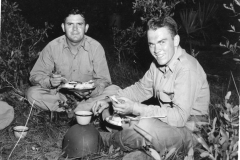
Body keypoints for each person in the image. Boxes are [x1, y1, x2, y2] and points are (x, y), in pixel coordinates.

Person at [92, 16, 210, 159]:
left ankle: (106, 140)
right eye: (151, 44)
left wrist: (135, 108)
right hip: (167, 125)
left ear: (176, 40)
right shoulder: (157, 64)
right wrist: (110, 100)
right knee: (109, 112)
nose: (156, 49)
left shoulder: (187, 68)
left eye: (162, 42)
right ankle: (146, 152)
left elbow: (179, 117)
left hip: (191, 132)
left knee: (143, 125)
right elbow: (140, 89)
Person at [26, 8, 119, 116]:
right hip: (61, 96)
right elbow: (35, 75)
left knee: (116, 90)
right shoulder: (52, 47)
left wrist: (90, 91)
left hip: (88, 97)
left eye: (79, 24)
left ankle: (70, 111)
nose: (75, 29)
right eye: (70, 24)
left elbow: (104, 80)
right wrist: (50, 81)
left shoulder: (96, 47)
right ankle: (80, 111)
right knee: (32, 93)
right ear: (63, 27)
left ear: (86, 28)